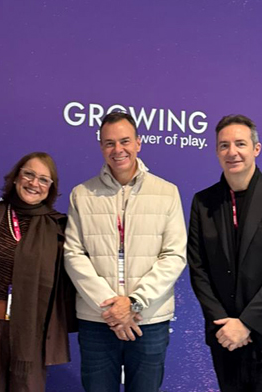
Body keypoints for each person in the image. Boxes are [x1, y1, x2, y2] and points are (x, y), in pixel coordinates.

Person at [64, 111, 187, 392]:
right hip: (98, 320)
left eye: (125, 141)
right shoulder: (81, 194)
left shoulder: (167, 192)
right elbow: (73, 255)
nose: (118, 149)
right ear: (101, 147)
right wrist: (111, 307)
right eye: (109, 143)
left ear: (138, 143)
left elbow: (174, 255)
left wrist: (133, 302)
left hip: (148, 318)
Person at [187, 114, 262, 392]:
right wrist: (224, 324)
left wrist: (247, 323)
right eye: (224, 145)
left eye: (240, 144)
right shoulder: (203, 201)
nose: (232, 152)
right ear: (217, 152)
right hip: (224, 334)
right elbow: (198, 268)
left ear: (256, 149)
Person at [0, 152, 76, 391]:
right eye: (28, 174)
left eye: (43, 179)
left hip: (33, 332)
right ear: (16, 177)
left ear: (51, 187)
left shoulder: (59, 227)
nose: (34, 183)